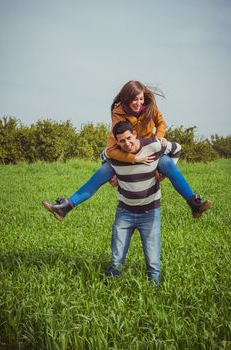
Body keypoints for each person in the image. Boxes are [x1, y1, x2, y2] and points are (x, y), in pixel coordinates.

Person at [42, 80, 211, 220]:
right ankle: (66, 207)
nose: (138, 103)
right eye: (134, 100)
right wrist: (133, 159)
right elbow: (112, 149)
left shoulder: (150, 105)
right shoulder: (118, 114)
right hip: (127, 150)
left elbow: (161, 124)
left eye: (140, 99)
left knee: (167, 163)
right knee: (102, 173)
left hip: (147, 147)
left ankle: (194, 204)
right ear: (125, 100)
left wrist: (159, 136)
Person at [105, 121, 184, 284]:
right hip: (124, 213)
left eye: (129, 138)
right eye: (121, 141)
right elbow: (103, 157)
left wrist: (164, 170)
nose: (126, 143)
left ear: (134, 133)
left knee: (153, 263)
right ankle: (108, 290)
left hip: (150, 213)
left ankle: (154, 296)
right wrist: (112, 179)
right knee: (116, 259)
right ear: (117, 142)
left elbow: (177, 148)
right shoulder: (115, 153)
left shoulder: (153, 146)